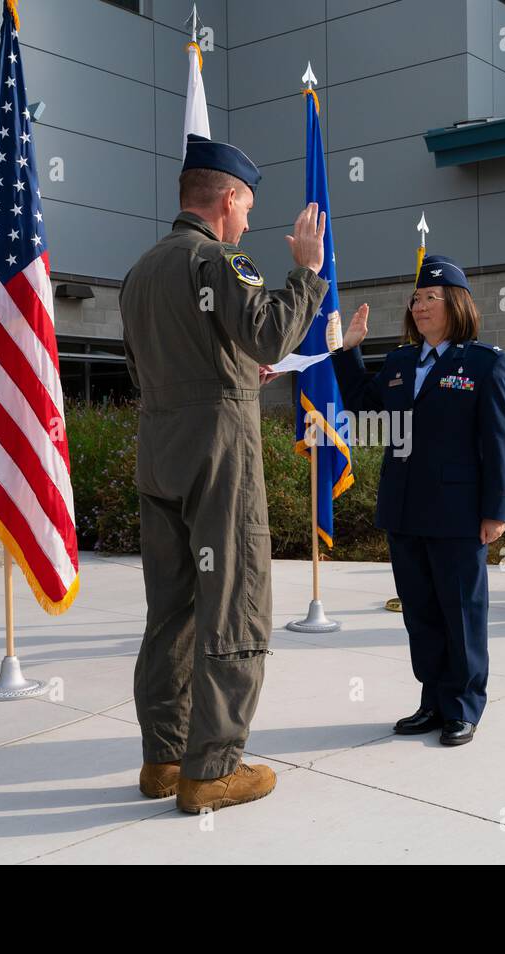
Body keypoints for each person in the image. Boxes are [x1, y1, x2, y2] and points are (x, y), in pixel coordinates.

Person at [120, 134, 329, 812]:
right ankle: (211, 770)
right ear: (228, 199)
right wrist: (305, 271)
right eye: (246, 209)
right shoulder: (219, 259)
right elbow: (269, 334)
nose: (247, 224)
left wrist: (229, 372)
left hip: (160, 447)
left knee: (170, 611)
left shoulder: (141, 271)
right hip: (219, 453)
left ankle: (164, 758)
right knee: (236, 602)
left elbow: (154, 366)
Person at [333, 255, 505, 746]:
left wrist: (496, 511)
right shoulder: (398, 362)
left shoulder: (484, 362)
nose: (419, 306)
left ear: (456, 304)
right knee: (420, 612)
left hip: (458, 513)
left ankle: (464, 706)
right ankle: (433, 701)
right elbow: (365, 409)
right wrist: (347, 353)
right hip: (405, 508)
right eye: (415, 298)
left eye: (430, 298)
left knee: (460, 610)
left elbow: (500, 440)